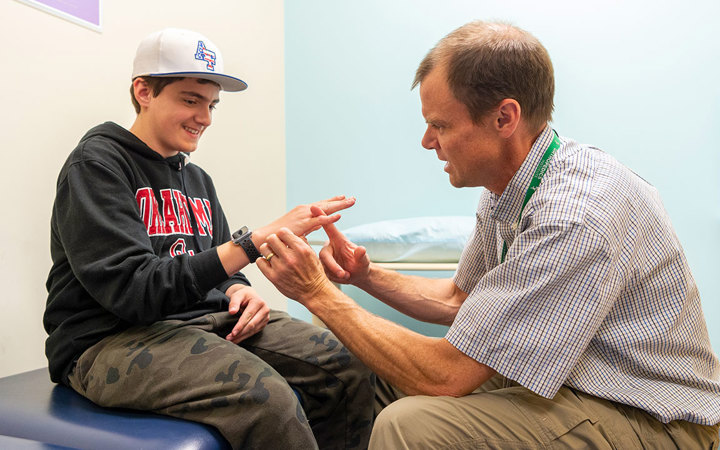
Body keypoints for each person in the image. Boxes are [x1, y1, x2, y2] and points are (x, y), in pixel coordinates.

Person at [256, 20, 720, 449]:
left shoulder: (575, 215)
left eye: (440, 125)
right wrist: (366, 276)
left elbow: (446, 375)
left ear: (504, 118)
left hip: (653, 418)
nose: (427, 141)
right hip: (575, 382)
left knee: (409, 425)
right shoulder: (513, 185)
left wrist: (318, 295)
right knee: (367, 376)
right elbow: (462, 300)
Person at [43, 28, 374, 450]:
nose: (206, 117)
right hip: (107, 340)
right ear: (143, 91)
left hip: (203, 323)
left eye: (212, 103)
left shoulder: (196, 179)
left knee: (348, 364)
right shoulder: (97, 165)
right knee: (264, 397)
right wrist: (252, 243)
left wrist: (239, 288)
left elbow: (212, 266)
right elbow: (134, 292)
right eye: (190, 99)